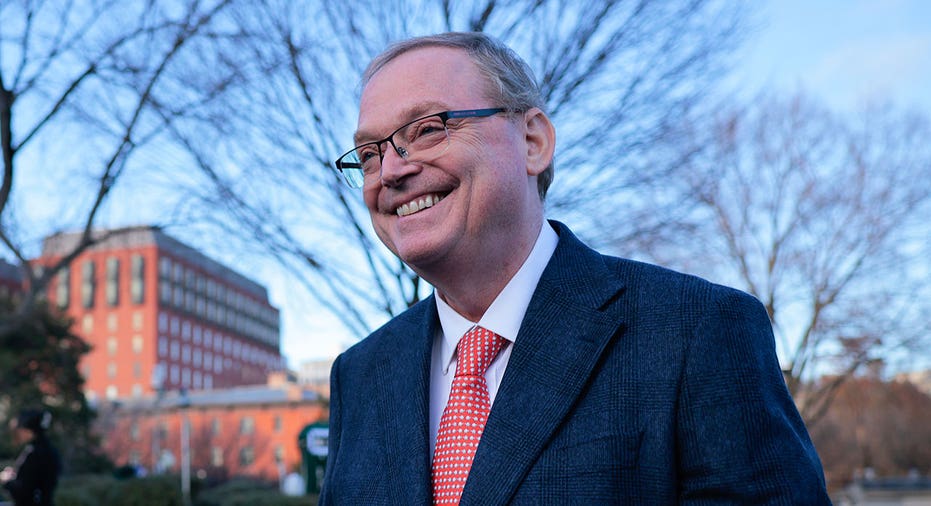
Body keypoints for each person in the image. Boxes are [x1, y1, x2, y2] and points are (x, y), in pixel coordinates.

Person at [321, 32, 831, 504]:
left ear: (533, 142)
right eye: (368, 155)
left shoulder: (697, 331)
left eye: (428, 129)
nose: (389, 171)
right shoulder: (359, 374)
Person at [1, 409, 62, 506]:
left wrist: (6, 480)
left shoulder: (34, 453)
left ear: (27, 430)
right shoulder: (49, 450)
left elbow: (24, 492)